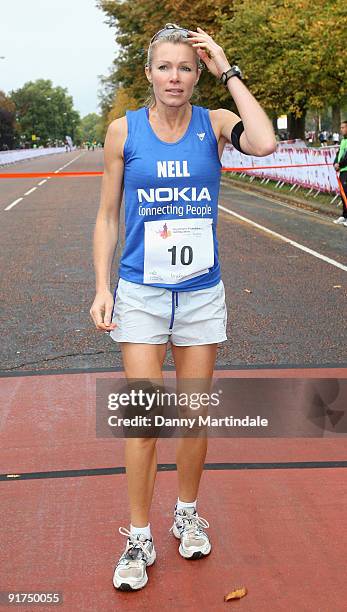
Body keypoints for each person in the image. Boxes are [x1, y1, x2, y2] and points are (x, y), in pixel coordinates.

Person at [90, 22, 277, 592]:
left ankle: (187, 512)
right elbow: (107, 215)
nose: (175, 77)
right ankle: (139, 535)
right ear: (148, 73)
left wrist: (229, 68)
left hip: (200, 294)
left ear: (199, 75)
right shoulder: (123, 132)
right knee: (144, 422)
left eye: (186, 68)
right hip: (142, 294)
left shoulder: (214, 124)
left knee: (194, 417)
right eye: (165, 67)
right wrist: (103, 287)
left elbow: (266, 143)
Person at [333, 120, 347, 226]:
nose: (341, 129)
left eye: (343, 127)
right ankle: (344, 215)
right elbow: (339, 154)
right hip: (342, 171)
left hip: (346, 169)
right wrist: (335, 163)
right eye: (341, 127)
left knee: (346, 193)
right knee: (343, 194)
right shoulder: (343, 141)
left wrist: (340, 164)